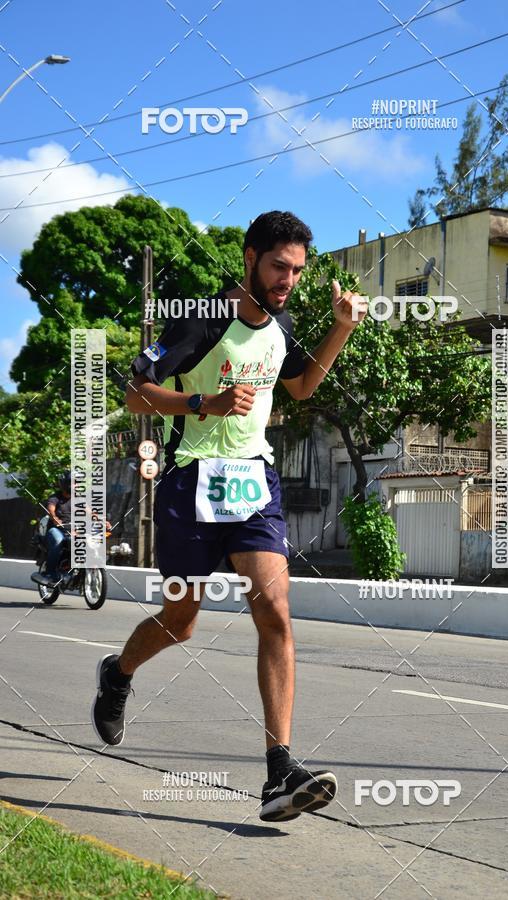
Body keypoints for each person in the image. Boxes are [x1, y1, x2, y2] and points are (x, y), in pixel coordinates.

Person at [91, 210, 367, 822]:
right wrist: (202, 402)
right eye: (278, 267)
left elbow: (297, 388)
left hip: (254, 484)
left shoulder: (282, 323)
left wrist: (340, 331)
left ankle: (279, 771)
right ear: (249, 258)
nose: (287, 280)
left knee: (273, 611)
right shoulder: (202, 320)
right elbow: (134, 392)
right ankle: (118, 673)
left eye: (296, 270)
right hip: (190, 480)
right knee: (182, 620)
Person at [38, 472, 72, 585]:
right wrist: (55, 517)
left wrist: (100, 519)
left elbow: (89, 511)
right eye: (73, 483)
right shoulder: (55, 497)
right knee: (58, 541)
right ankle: (50, 573)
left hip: (73, 530)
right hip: (57, 529)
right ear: (65, 484)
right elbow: (51, 509)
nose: (76, 486)